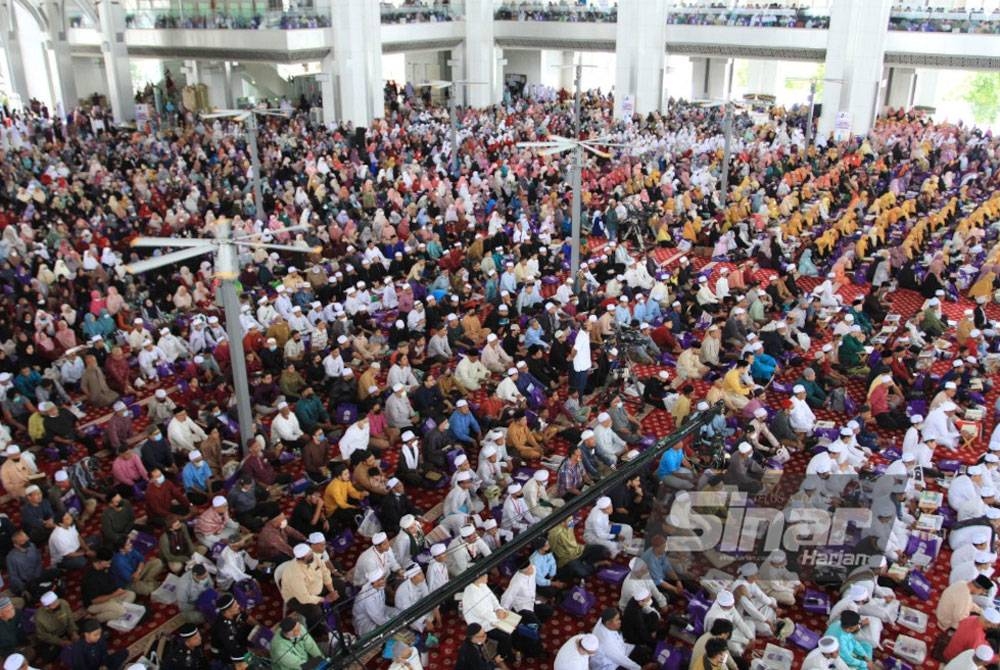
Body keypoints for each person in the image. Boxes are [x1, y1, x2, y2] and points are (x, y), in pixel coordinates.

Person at [34, 590, 78, 664]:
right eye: (54, 604)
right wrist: (60, 642)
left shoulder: (63, 603)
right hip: (54, 637)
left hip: (66, 630)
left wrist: (73, 632)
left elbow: (70, 619)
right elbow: (43, 635)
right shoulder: (39, 617)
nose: (58, 604)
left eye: (57, 600)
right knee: (47, 656)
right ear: (47, 607)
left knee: (86, 631)